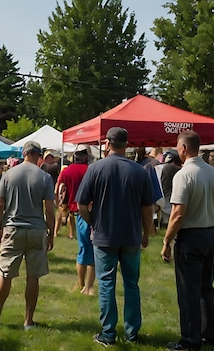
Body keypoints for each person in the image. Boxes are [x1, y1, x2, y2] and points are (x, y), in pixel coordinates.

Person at [76, 127, 154, 346]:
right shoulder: (140, 171)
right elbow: (148, 209)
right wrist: (146, 234)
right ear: (126, 145)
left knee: (107, 283)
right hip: (131, 236)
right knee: (131, 284)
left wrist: (93, 222)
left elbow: (81, 204)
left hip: (104, 236)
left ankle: (108, 334)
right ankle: (132, 333)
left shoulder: (95, 169)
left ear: (107, 144)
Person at [161, 130, 214, 351]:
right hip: (210, 232)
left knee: (188, 290)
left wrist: (166, 241)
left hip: (191, 236)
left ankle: (190, 340)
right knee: (206, 287)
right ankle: (209, 333)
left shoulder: (184, 175)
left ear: (183, 149)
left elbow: (178, 213)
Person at [0, 141, 55, 330]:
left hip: (13, 229)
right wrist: (52, 233)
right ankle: (28, 321)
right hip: (36, 230)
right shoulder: (45, 177)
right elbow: (49, 208)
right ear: (38, 155)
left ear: (23, 153)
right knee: (33, 277)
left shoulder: (8, 175)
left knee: (5, 273)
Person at [57, 145, 93, 294]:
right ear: (86, 156)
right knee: (91, 248)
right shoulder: (91, 170)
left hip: (76, 212)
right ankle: (88, 286)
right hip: (91, 210)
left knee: (83, 248)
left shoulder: (67, 171)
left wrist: (61, 206)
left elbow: (59, 190)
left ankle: (81, 283)